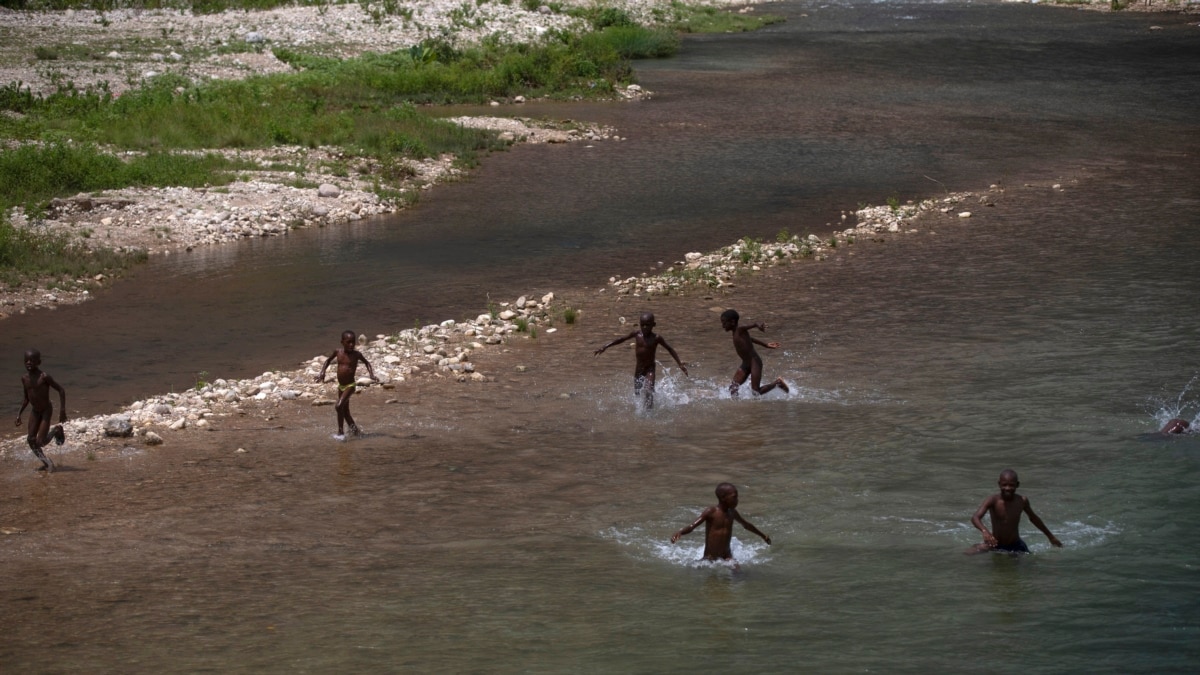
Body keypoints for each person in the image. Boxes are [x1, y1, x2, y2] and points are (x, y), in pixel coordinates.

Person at [593, 312, 688, 408]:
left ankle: (649, 413)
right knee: (637, 394)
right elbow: (621, 339)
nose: (645, 327)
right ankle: (641, 413)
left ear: (653, 325)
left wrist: (679, 364)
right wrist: (605, 346)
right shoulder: (637, 334)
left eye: (647, 325)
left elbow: (670, 349)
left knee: (648, 391)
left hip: (650, 369)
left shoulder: (656, 338)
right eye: (642, 325)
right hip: (638, 369)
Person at [967, 469, 1063, 554]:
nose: (1008, 488)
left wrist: (1051, 537)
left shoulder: (1022, 501)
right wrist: (985, 531)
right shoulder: (993, 500)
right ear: (999, 484)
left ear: (1017, 485)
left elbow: (1034, 518)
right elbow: (975, 517)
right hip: (995, 544)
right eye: (1004, 485)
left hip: (1016, 545)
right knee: (968, 554)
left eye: (1011, 485)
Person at [671, 482, 771, 561]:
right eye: (734, 497)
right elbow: (692, 526)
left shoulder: (732, 512)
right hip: (710, 558)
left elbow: (746, 525)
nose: (737, 500)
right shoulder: (711, 512)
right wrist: (680, 532)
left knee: (738, 575)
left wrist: (763, 536)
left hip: (727, 556)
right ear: (723, 498)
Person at [315, 330, 378, 440]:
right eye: (348, 342)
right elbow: (327, 361)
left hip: (350, 385)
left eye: (353, 342)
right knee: (345, 412)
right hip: (341, 386)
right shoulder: (338, 352)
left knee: (339, 406)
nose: (351, 345)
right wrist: (322, 373)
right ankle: (356, 432)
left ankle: (340, 433)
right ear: (342, 342)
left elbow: (367, 363)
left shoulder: (356, 354)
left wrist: (371, 375)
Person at [14, 349, 66, 472]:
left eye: (32, 360)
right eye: (26, 360)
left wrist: (62, 411)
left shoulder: (44, 377)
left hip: (46, 411)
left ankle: (57, 429)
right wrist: (19, 414)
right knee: (31, 440)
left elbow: (61, 390)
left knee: (40, 442)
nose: (29, 363)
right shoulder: (24, 379)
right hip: (35, 411)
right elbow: (26, 398)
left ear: (39, 362)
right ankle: (47, 463)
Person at [720, 309, 789, 399]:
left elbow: (755, 324)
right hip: (745, 364)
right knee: (733, 389)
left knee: (756, 391)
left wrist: (758, 325)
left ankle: (778, 383)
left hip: (754, 362)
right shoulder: (737, 333)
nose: (722, 326)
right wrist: (766, 345)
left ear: (732, 322)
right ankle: (738, 408)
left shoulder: (740, 329)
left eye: (724, 323)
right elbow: (750, 339)